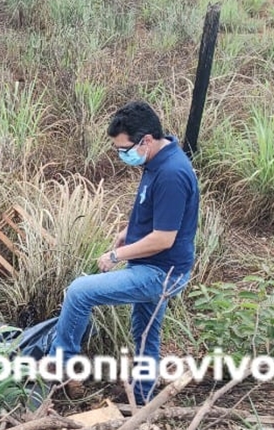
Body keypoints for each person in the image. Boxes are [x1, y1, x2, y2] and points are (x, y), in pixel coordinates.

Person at [49, 100, 199, 404]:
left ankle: (59, 368)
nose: (121, 155)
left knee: (80, 292)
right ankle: (140, 396)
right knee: (145, 332)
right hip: (157, 265)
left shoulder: (171, 173)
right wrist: (127, 233)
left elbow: (164, 238)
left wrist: (117, 255)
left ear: (145, 140)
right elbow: (157, 216)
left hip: (161, 272)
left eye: (123, 149)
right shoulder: (156, 159)